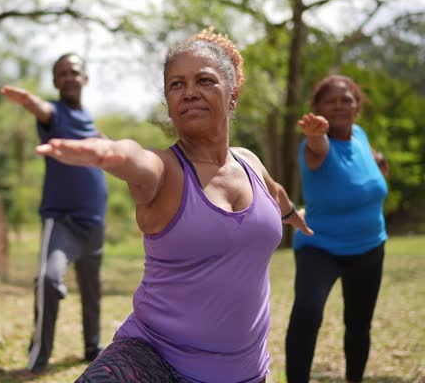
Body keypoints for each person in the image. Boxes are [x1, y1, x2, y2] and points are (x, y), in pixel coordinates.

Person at [36, 29, 312, 383]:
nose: (190, 92)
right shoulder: (165, 169)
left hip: (245, 373)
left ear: (232, 97)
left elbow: (275, 193)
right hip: (152, 358)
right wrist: (105, 154)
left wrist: (293, 217)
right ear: (169, 103)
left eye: (205, 80)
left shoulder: (249, 162)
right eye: (176, 85)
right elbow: (133, 159)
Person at [0, 53, 108, 373]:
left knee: (92, 290)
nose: (69, 77)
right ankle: (39, 356)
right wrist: (29, 101)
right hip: (62, 221)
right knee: (48, 280)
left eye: (74, 71)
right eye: (61, 73)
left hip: (95, 223)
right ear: (55, 82)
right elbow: (41, 109)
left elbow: (112, 152)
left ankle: (92, 347)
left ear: (84, 78)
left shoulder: (89, 120)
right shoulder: (55, 114)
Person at [285, 75, 388, 383]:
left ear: (358, 106)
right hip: (321, 248)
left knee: (359, 325)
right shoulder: (313, 146)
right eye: (330, 101)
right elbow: (320, 147)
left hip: (370, 247)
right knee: (307, 314)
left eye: (347, 99)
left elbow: (365, 165)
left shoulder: (360, 135)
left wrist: (379, 162)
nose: (339, 105)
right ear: (317, 108)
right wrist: (317, 135)